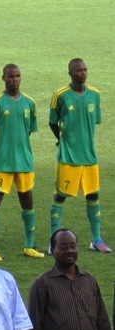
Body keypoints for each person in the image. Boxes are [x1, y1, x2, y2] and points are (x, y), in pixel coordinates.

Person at [0, 64, 42, 259]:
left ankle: (29, 246)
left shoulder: (30, 103)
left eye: (17, 76)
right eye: (10, 76)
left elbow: (28, 131)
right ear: (3, 78)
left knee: (27, 202)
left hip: (24, 162)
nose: (15, 79)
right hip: (3, 163)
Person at [48, 59, 109, 252]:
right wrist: (62, 140)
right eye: (78, 70)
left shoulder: (95, 95)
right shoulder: (61, 95)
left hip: (89, 156)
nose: (83, 73)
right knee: (60, 196)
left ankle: (96, 239)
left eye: (85, 70)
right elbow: (52, 122)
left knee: (93, 195)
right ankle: (53, 242)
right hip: (68, 157)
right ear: (70, 73)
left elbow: (93, 122)